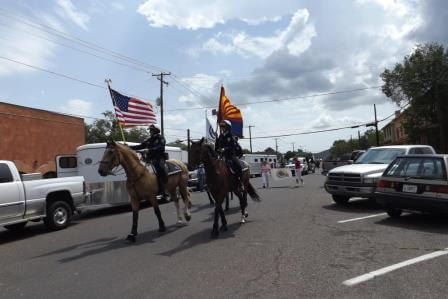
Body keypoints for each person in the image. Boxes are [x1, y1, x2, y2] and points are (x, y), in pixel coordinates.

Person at [130, 124, 168, 202]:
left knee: (160, 169)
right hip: (149, 159)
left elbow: (160, 147)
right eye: (150, 130)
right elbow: (140, 146)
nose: (150, 132)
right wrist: (129, 147)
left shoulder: (161, 138)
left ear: (156, 130)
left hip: (159, 158)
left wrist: (149, 150)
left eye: (152, 130)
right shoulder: (149, 139)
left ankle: (164, 192)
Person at [215, 120, 243, 191]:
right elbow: (217, 147)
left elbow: (233, 146)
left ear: (227, 127)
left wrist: (225, 149)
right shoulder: (220, 136)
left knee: (238, 166)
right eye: (221, 126)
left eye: (223, 126)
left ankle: (240, 182)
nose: (222, 128)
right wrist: (216, 139)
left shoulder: (231, 135)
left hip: (230, 155)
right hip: (221, 156)